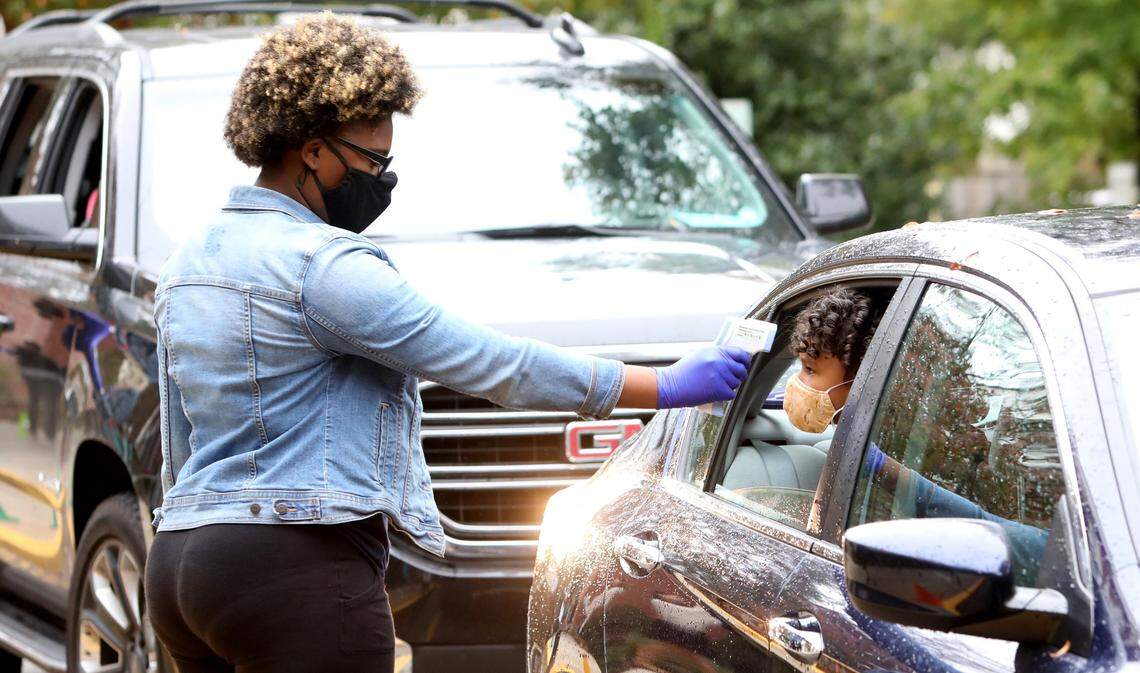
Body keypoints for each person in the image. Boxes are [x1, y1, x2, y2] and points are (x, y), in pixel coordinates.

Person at [141, 13, 752, 673]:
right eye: (372, 161)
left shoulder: (186, 263)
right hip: (295, 572)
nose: (383, 180)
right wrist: (663, 384)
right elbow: (493, 364)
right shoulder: (323, 267)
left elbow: (179, 440)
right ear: (312, 149)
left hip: (180, 569)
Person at [782, 286, 1049, 580]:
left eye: (809, 369)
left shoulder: (912, 444)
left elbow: (1011, 539)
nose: (798, 383)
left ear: (862, 376)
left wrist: (883, 466)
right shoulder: (872, 442)